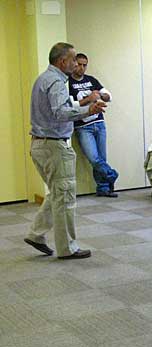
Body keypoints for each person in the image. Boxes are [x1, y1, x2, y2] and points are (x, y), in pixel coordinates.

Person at [25, 42, 106, 260]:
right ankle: (67, 248)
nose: (76, 63)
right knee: (65, 198)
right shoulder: (57, 81)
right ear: (62, 62)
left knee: (58, 193)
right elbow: (61, 113)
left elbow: (57, 109)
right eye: (73, 60)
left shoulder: (44, 78)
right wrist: (88, 109)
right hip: (54, 146)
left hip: (40, 144)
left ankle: (36, 234)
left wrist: (82, 107)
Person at [68, 53, 119, 197]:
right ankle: (112, 174)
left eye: (85, 65)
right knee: (94, 158)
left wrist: (102, 96)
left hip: (99, 122)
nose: (81, 68)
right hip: (82, 125)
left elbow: (108, 96)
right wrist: (89, 98)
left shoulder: (91, 80)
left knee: (102, 158)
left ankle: (103, 188)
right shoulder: (68, 83)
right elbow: (71, 106)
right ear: (73, 63)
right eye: (79, 64)